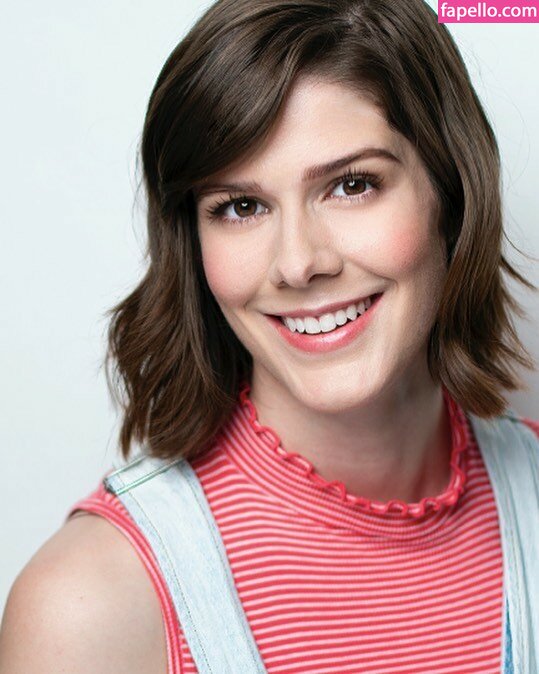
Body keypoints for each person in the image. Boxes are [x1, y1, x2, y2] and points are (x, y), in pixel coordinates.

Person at [1, 0, 538, 672]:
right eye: (241, 206)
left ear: (451, 195)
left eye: (351, 185)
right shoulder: (91, 607)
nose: (297, 263)